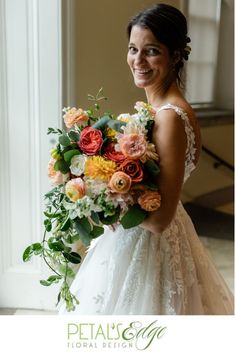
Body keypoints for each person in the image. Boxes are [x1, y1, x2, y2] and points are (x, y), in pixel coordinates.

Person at [59, 3, 234, 315]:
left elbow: (159, 220)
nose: (138, 60)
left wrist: (105, 200)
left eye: (151, 50)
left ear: (176, 55)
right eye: (133, 49)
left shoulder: (169, 118)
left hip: (151, 248)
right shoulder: (161, 109)